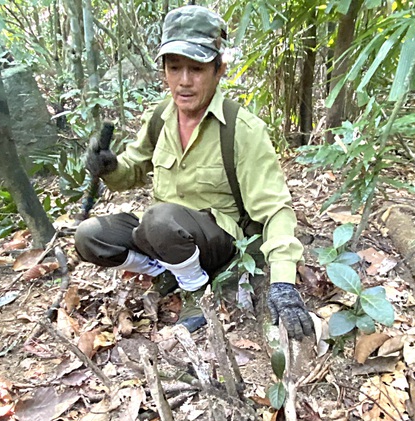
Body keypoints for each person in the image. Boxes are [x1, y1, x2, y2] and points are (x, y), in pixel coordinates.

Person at [75, 5, 313, 340]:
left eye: (196, 69)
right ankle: (167, 272)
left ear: (219, 70)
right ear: (164, 71)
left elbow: (276, 210)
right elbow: (133, 171)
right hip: (164, 235)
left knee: (159, 220)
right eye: (174, 68)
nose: (184, 81)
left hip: (217, 241)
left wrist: (284, 284)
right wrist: (110, 167)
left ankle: (196, 294)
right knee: (90, 237)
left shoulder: (242, 129)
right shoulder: (160, 116)